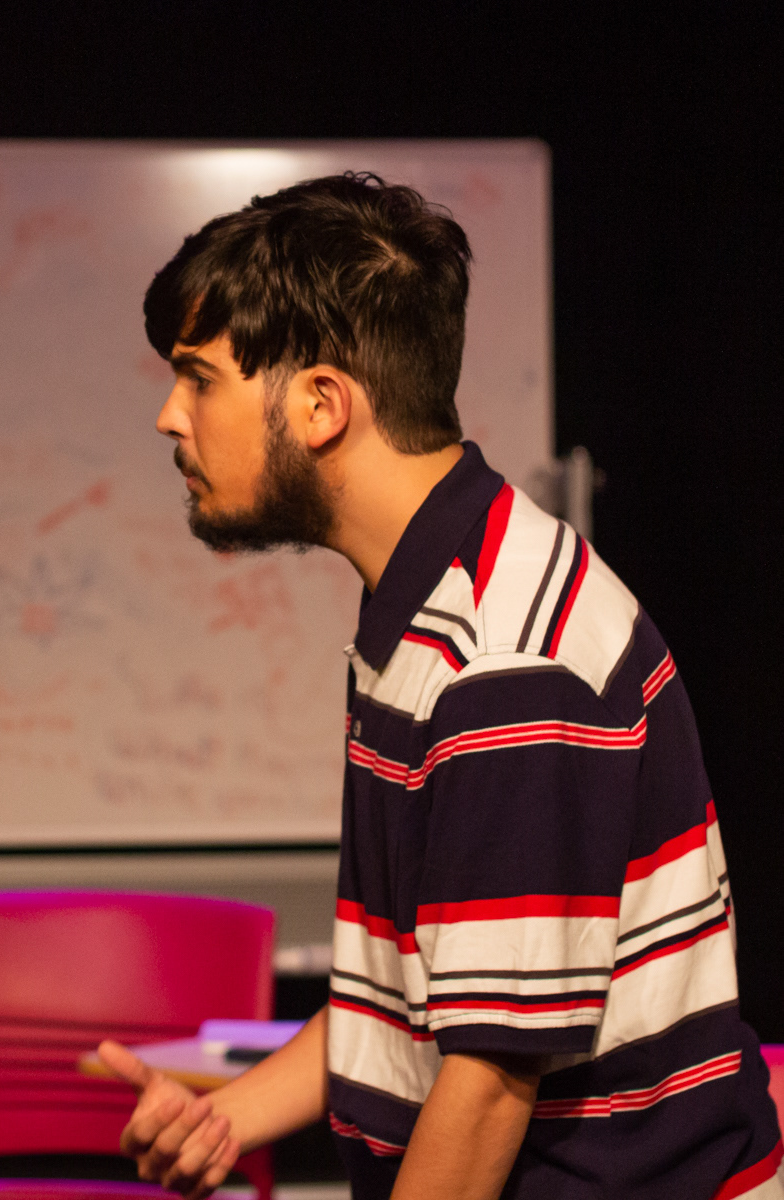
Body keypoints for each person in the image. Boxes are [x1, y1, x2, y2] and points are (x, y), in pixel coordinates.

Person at [97, 175, 782, 1199]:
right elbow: (416, 989)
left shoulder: (509, 666)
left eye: (200, 379)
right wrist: (226, 1115)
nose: (169, 417)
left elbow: (488, 1086)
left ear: (320, 405)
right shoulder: (435, 596)